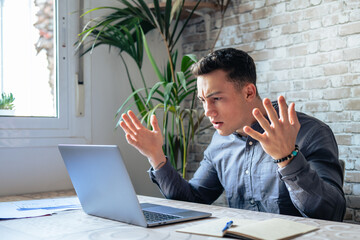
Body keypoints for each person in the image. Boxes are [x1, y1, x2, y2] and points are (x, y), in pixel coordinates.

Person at [119, 48, 346, 221]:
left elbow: (331, 214)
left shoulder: (310, 132)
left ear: (248, 92)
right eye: (202, 101)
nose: (207, 111)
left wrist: (288, 158)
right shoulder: (221, 140)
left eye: (216, 98)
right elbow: (194, 201)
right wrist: (156, 156)